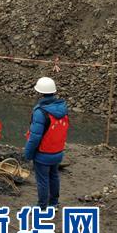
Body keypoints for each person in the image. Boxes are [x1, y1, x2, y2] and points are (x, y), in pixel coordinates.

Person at [24, 77, 69, 209]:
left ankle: (42, 206)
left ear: (40, 93)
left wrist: (28, 154)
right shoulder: (62, 108)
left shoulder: (40, 112)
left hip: (43, 154)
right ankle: (54, 203)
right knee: (54, 176)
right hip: (57, 152)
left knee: (42, 180)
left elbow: (35, 137)